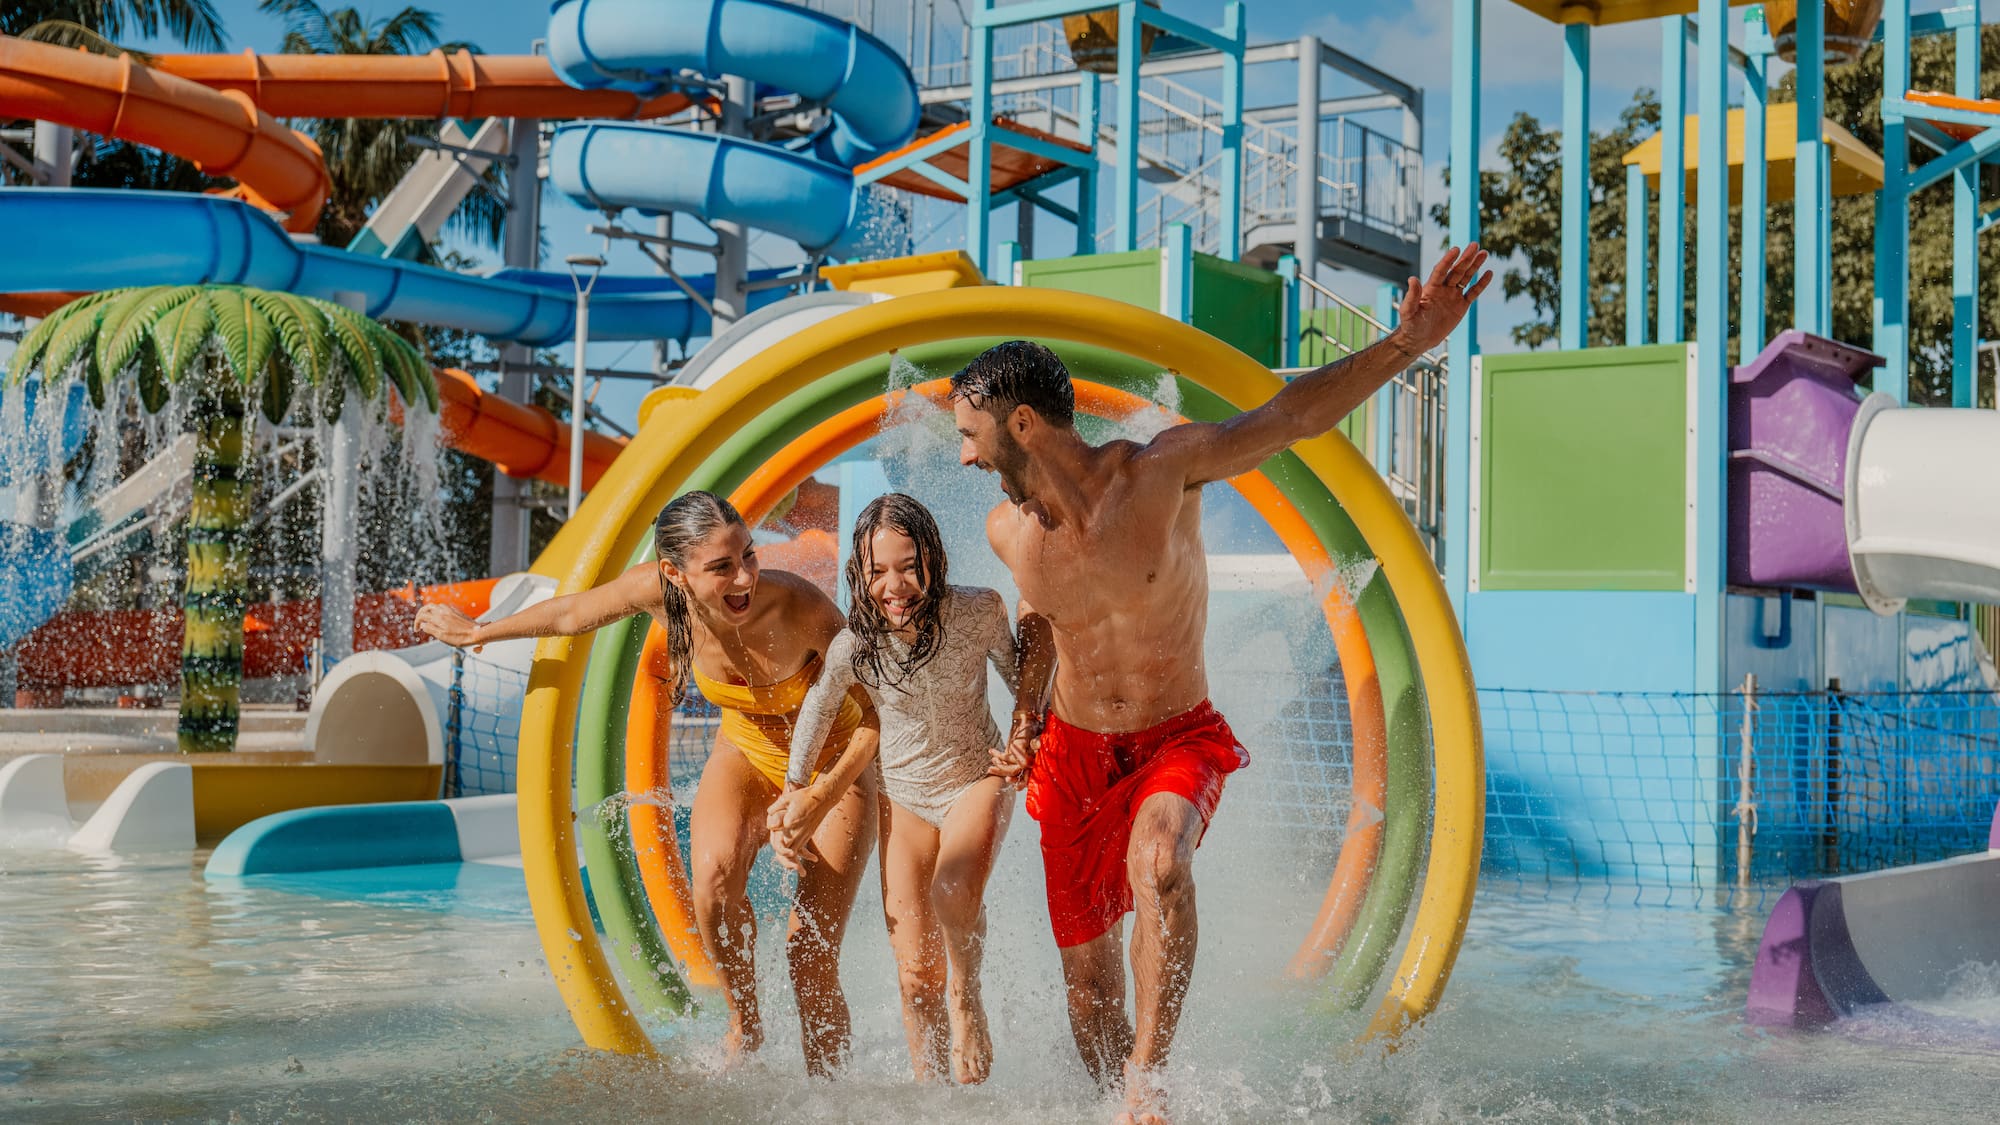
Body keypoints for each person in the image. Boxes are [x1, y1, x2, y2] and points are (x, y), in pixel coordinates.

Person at [961, 244, 1492, 1123]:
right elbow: (1043, 627)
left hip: (1176, 737)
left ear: (1021, 425)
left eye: (971, 436)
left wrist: (1406, 345)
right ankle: (1111, 1097)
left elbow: (1286, 418)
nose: (968, 457)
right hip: (1073, 755)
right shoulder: (1007, 534)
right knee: (1089, 989)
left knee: (1161, 860)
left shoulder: (1160, 473)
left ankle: (1149, 1079)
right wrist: (1022, 719)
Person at [414, 490, 879, 1077]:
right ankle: (746, 1026)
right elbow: (569, 613)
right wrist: (480, 631)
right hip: (746, 751)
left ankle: (831, 1099)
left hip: (836, 765)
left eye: (748, 555)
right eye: (721, 567)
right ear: (673, 573)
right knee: (710, 883)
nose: (744, 578)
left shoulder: (799, 607)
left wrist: (819, 796)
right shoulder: (658, 594)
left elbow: (876, 716)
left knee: (808, 955)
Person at [767, 492, 1054, 1085]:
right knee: (913, 972)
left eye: (908, 565)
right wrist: (794, 789)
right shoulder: (857, 646)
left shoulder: (978, 611)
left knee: (953, 891)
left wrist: (1032, 732)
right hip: (903, 794)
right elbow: (818, 711)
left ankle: (967, 998)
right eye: (878, 571)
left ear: (933, 559)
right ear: (860, 572)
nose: (894, 585)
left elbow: (1024, 673)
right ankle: (933, 1096)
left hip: (976, 775)